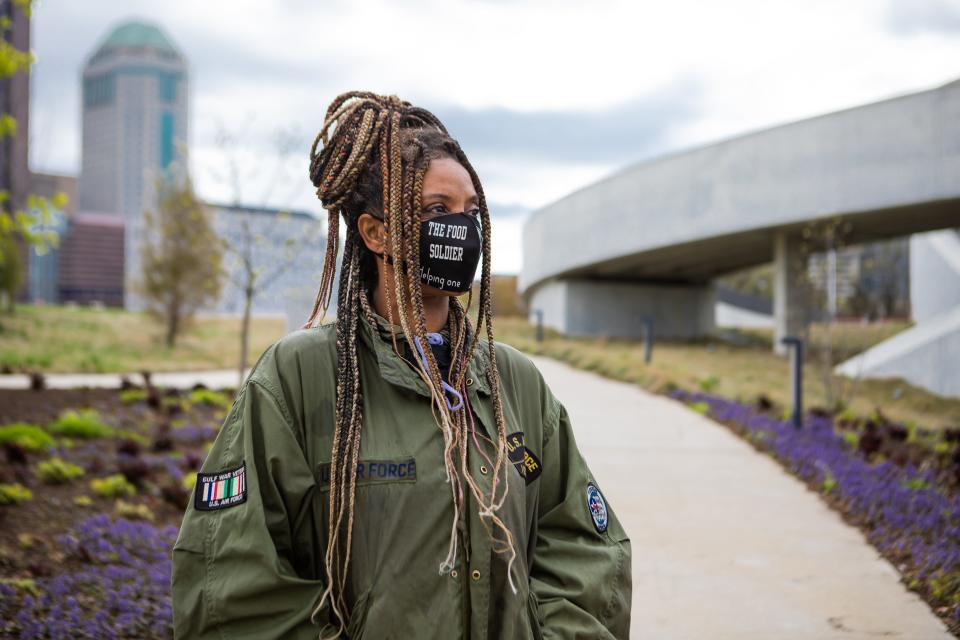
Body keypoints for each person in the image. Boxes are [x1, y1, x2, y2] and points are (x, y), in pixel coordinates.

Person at [170, 91, 632, 639]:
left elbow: (584, 545)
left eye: (471, 213)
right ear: (375, 233)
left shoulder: (516, 383)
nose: (462, 229)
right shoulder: (300, 379)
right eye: (437, 211)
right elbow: (228, 583)